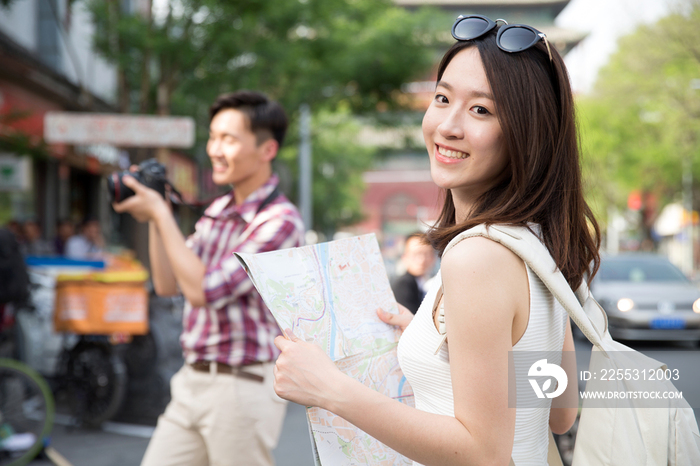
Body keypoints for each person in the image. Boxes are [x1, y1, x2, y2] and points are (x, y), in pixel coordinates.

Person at [272, 15, 599, 465]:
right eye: (442, 98)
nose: (447, 125)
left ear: (527, 134)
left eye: (481, 110)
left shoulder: (478, 257)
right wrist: (445, 346)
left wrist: (332, 390)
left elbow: (483, 453)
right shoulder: (536, 242)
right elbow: (558, 410)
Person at [113, 90, 305, 466]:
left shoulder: (279, 221)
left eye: (228, 139)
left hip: (241, 386)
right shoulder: (218, 209)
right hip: (191, 380)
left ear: (267, 150)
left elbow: (203, 290)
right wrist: (157, 215)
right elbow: (170, 284)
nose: (215, 149)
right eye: (213, 136)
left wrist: (163, 216)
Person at [391, 232, 436, 314]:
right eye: (416, 254)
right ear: (404, 257)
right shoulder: (404, 284)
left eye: (427, 254)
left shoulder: (427, 283)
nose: (422, 260)